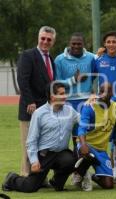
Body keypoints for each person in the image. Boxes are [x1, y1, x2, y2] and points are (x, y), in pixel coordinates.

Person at [2, 82, 78, 192]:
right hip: (44, 155)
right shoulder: (39, 113)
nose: (65, 96)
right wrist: (34, 161)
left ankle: (57, 182)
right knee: (30, 187)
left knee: (73, 161)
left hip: (61, 153)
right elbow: (31, 140)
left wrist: (91, 105)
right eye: (61, 94)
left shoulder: (70, 111)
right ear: (52, 97)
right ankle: (11, 179)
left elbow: (83, 119)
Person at [54, 32, 95, 191]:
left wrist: (94, 94)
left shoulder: (91, 58)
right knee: (64, 139)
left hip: (85, 102)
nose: (76, 46)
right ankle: (63, 172)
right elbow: (57, 83)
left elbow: (97, 76)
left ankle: (81, 174)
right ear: (69, 43)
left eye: (79, 44)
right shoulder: (59, 59)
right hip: (67, 102)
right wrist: (73, 80)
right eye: (74, 44)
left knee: (82, 140)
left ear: (84, 44)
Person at [17, 26, 56, 177]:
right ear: (38, 38)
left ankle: (39, 177)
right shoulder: (28, 55)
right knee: (29, 144)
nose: (45, 42)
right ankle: (26, 175)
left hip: (45, 110)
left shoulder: (50, 59)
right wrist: (30, 101)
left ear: (53, 41)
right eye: (43, 38)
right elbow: (23, 80)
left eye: (49, 39)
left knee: (42, 146)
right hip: (30, 109)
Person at [92, 31, 116, 184]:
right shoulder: (99, 60)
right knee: (103, 136)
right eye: (108, 42)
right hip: (103, 106)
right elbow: (91, 78)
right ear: (104, 44)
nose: (111, 44)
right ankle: (105, 169)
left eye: (114, 42)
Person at [76, 83, 116, 189]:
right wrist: (83, 144)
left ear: (112, 93)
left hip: (101, 150)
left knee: (108, 185)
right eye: (101, 91)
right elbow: (81, 129)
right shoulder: (90, 107)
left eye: (106, 91)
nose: (103, 94)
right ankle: (82, 174)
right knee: (85, 154)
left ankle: (91, 175)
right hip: (87, 145)